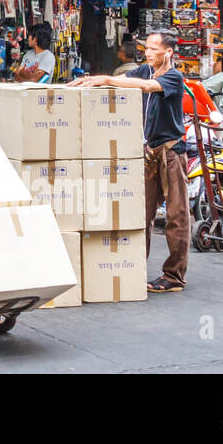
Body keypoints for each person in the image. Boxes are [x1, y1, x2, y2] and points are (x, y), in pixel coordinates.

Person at [70, 30, 190, 293]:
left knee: (176, 215)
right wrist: (99, 81)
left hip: (171, 151)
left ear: (168, 52)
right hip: (149, 151)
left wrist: (103, 79)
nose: (147, 53)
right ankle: (133, 268)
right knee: (141, 214)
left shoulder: (173, 77)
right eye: (146, 48)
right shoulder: (144, 71)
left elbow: (147, 88)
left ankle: (173, 276)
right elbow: (121, 79)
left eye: (153, 49)